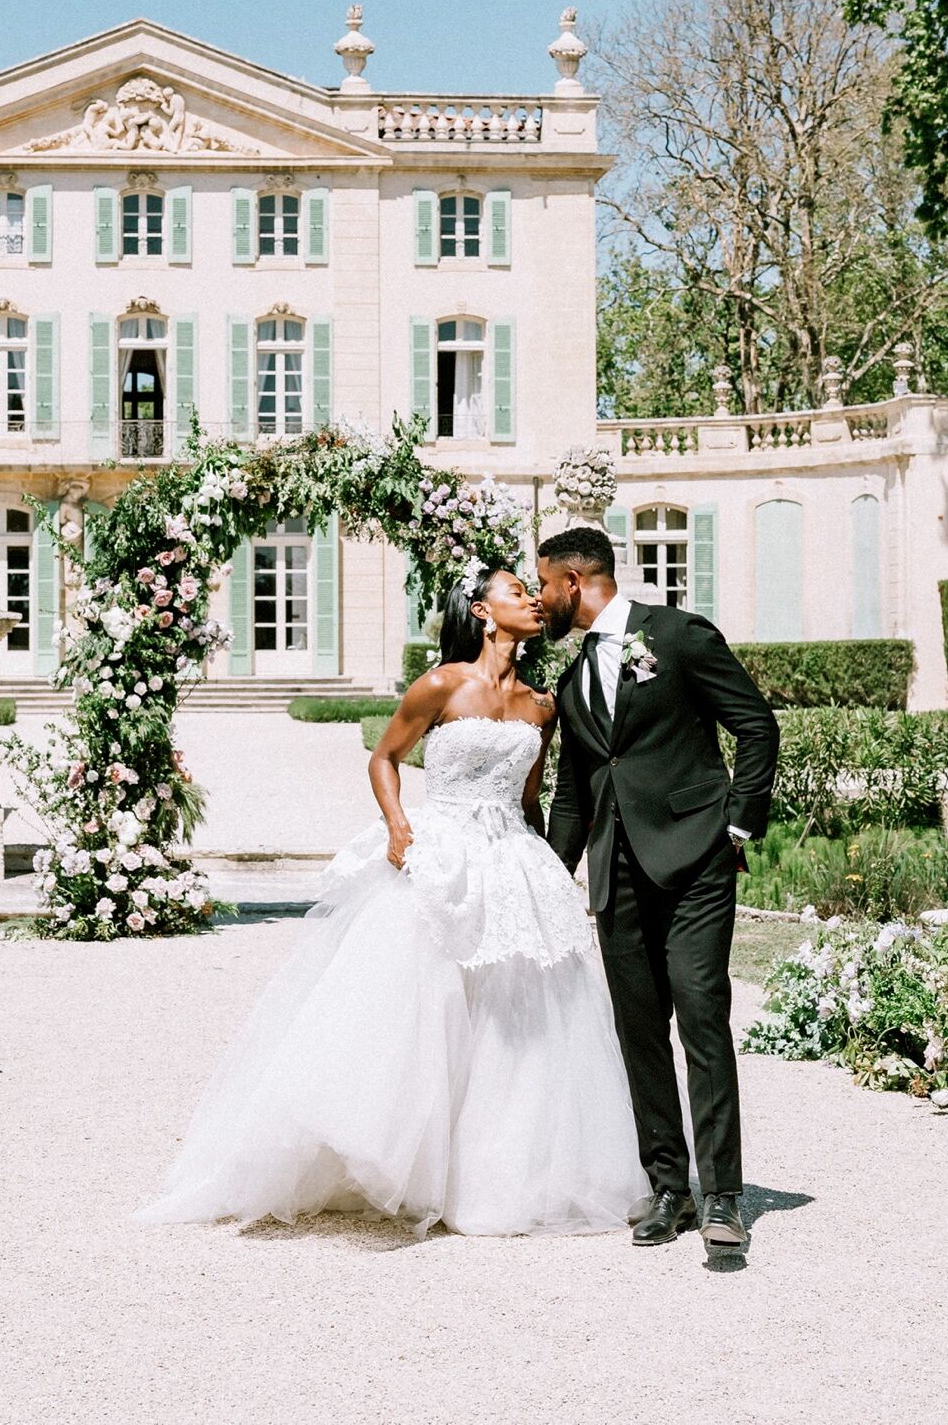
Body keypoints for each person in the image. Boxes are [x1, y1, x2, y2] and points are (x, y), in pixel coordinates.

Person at [136, 565, 647, 1236]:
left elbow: (529, 794)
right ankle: (399, 1153)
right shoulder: (439, 684)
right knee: (420, 1005)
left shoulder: (541, 705)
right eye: (515, 591)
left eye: (531, 590)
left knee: (512, 1016)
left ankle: (492, 1172)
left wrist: (542, 861)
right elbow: (385, 757)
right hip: (440, 849)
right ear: (483, 611)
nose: (529, 598)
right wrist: (398, 823)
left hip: (509, 854)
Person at [535, 525, 779, 1257]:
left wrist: (736, 828)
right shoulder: (575, 678)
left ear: (576, 580)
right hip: (617, 876)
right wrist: (549, 876)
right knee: (638, 1032)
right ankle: (670, 1184)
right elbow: (574, 793)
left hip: (698, 866)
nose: (541, 596)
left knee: (702, 1016)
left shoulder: (676, 636)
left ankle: (724, 1195)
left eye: (544, 582)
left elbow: (755, 725)